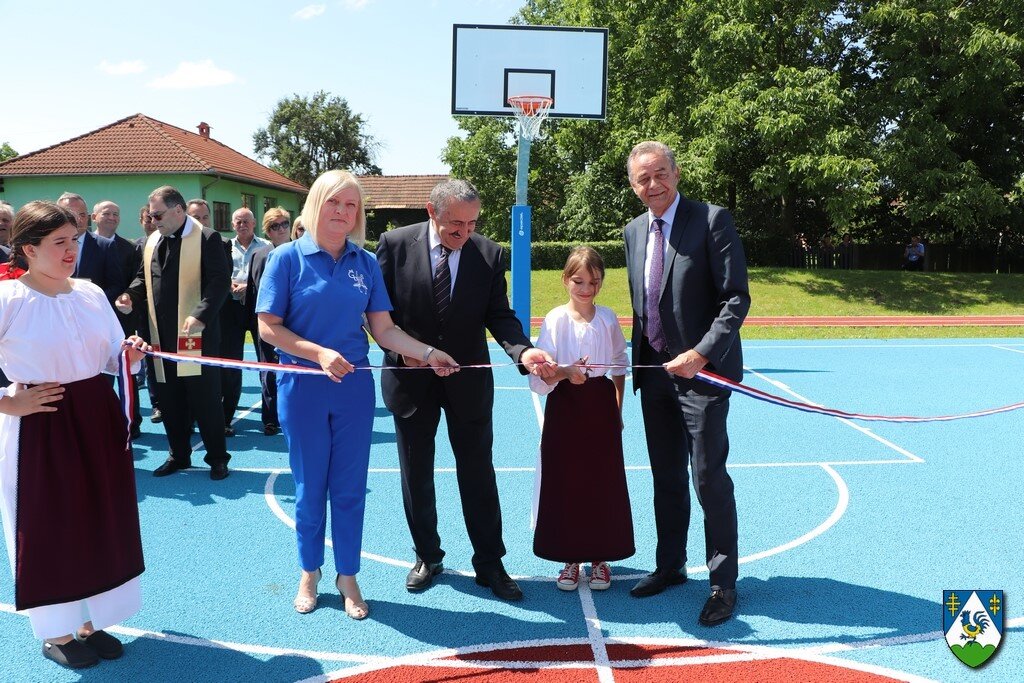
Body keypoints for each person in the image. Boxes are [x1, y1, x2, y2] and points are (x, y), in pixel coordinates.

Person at [257, 170, 458, 620]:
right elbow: (268, 328)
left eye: (351, 206)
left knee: (349, 490)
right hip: (304, 390)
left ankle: (348, 575)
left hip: (353, 392)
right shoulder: (287, 259)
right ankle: (309, 571)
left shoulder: (364, 263)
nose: (343, 213)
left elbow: (384, 330)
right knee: (310, 489)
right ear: (316, 204)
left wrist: (429, 353)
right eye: (335, 203)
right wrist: (318, 354)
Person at [376, 179, 557, 601]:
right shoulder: (393, 244)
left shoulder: (488, 253)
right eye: (455, 224)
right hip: (410, 379)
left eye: (472, 224)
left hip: (468, 383)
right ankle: (427, 555)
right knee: (415, 474)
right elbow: (376, 313)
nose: (464, 233)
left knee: (478, 474)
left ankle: (489, 562)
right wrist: (407, 354)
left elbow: (500, 315)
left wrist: (524, 353)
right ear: (430, 212)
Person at [0, 201, 149, 670]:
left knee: (101, 518)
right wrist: (7, 402)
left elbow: (109, 358)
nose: (70, 250)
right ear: (30, 248)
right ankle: (58, 631)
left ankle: (93, 622)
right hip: (39, 425)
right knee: (49, 526)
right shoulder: (7, 299)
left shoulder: (90, 293)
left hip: (96, 419)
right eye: (58, 242)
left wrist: (130, 354)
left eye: (73, 240)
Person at [623, 141, 750, 627]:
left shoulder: (712, 220)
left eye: (660, 174)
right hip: (654, 374)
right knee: (666, 477)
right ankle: (671, 566)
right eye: (642, 179)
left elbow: (735, 298)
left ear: (676, 173)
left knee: (708, 479)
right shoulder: (633, 231)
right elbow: (643, 304)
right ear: (633, 186)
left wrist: (700, 354)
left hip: (702, 374)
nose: (653, 185)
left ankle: (722, 584)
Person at [529, 246, 633, 592]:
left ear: (601, 283)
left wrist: (617, 409)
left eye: (593, 281)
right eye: (579, 281)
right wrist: (563, 372)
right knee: (566, 480)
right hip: (565, 407)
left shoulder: (607, 318)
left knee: (602, 480)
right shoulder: (555, 319)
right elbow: (541, 371)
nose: (586, 288)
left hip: (600, 407)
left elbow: (619, 363)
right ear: (565, 280)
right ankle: (570, 558)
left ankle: (600, 558)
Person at [116, 186, 232, 480]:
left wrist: (200, 314)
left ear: (178, 211)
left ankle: (217, 457)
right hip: (159, 336)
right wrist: (131, 295)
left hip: (194, 335)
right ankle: (178, 455)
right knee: (169, 400)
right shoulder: (151, 241)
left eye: (158, 214)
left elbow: (219, 282)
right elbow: (144, 278)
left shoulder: (207, 238)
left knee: (205, 400)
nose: (153, 220)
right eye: (151, 215)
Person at [221, 208, 269, 435]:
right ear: (233, 225)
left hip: (257, 308)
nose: (242, 225)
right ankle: (226, 418)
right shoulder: (224, 246)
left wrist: (248, 287)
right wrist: (228, 285)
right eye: (238, 221)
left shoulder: (266, 247)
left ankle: (270, 418)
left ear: (254, 223)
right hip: (230, 309)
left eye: (246, 221)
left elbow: (268, 279)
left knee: (265, 362)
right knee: (232, 364)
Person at [245, 207, 291, 436]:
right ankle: (270, 418)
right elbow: (253, 292)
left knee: (296, 370)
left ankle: (293, 414)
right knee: (268, 370)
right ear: (268, 231)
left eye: (285, 224)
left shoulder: (303, 252)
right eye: (275, 226)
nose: (282, 229)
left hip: (294, 324)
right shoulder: (259, 255)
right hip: (265, 324)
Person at [57, 193, 123, 303]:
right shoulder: (47, 246)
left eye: (82, 215)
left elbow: (116, 286)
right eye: (71, 215)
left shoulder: (105, 246)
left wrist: (92, 300)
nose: (78, 220)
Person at [134, 206, 161, 424]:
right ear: (141, 221)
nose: (151, 222)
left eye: (155, 218)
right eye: (147, 219)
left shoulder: (173, 242)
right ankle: (157, 404)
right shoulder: (135, 247)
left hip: (170, 314)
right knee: (150, 360)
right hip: (144, 314)